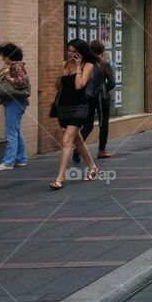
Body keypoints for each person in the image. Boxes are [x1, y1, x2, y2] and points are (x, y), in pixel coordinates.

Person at [50, 39, 100, 189]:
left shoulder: (88, 65)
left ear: (80, 52)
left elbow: (79, 85)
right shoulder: (64, 64)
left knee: (66, 140)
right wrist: (61, 75)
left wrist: (78, 66)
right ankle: (93, 168)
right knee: (77, 140)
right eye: (69, 50)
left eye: (74, 51)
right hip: (64, 107)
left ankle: (60, 179)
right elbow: (57, 86)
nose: (70, 54)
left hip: (79, 108)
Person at [0, 43, 30, 171]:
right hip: (18, 102)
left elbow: (21, 82)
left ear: (9, 56)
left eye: (3, 56)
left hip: (15, 102)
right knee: (16, 131)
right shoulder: (17, 65)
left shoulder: (15, 66)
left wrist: (7, 76)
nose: (2, 60)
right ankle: (21, 158)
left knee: (11, 132)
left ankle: (8, 162)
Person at [77, 40, 115, 160]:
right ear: (102, 51)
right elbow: (112, 83)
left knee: (87, 125)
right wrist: (104, 89)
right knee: (103, 124)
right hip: (101, 98)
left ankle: (77, 149)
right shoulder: (104, 64)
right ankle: (101, 150)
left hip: (87, 97)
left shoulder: (85, 64)